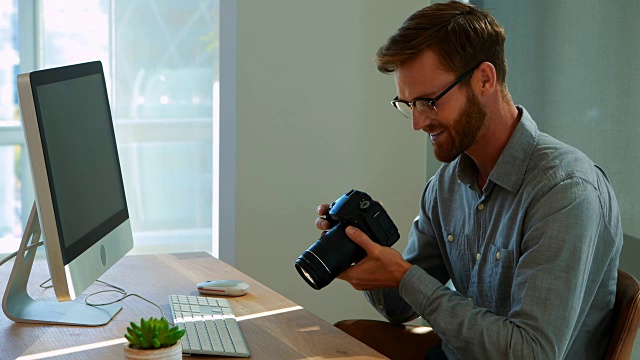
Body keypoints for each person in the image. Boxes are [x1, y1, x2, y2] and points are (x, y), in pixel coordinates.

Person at [315, 1, 623, 359]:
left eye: (429, 101)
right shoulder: (446, 186)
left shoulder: (565, 192)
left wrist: (404, 276)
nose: (418, 123)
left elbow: (532, 352)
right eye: (409, 104)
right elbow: (401, 308)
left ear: (485, 80)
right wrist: (361, 249)